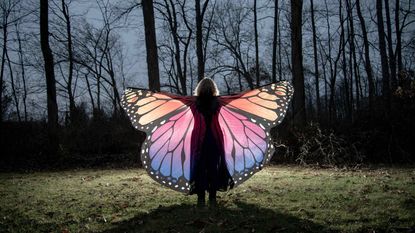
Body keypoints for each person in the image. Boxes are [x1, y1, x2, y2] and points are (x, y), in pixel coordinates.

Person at [190, 77, 233, 208]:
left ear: (199, 88)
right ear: (214, 88)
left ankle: (201, 199)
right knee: (213, 168)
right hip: (214, 139)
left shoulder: (193, 103)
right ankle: (213, 199)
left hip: (198, 140)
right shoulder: (219, 103)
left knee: (200, 168)